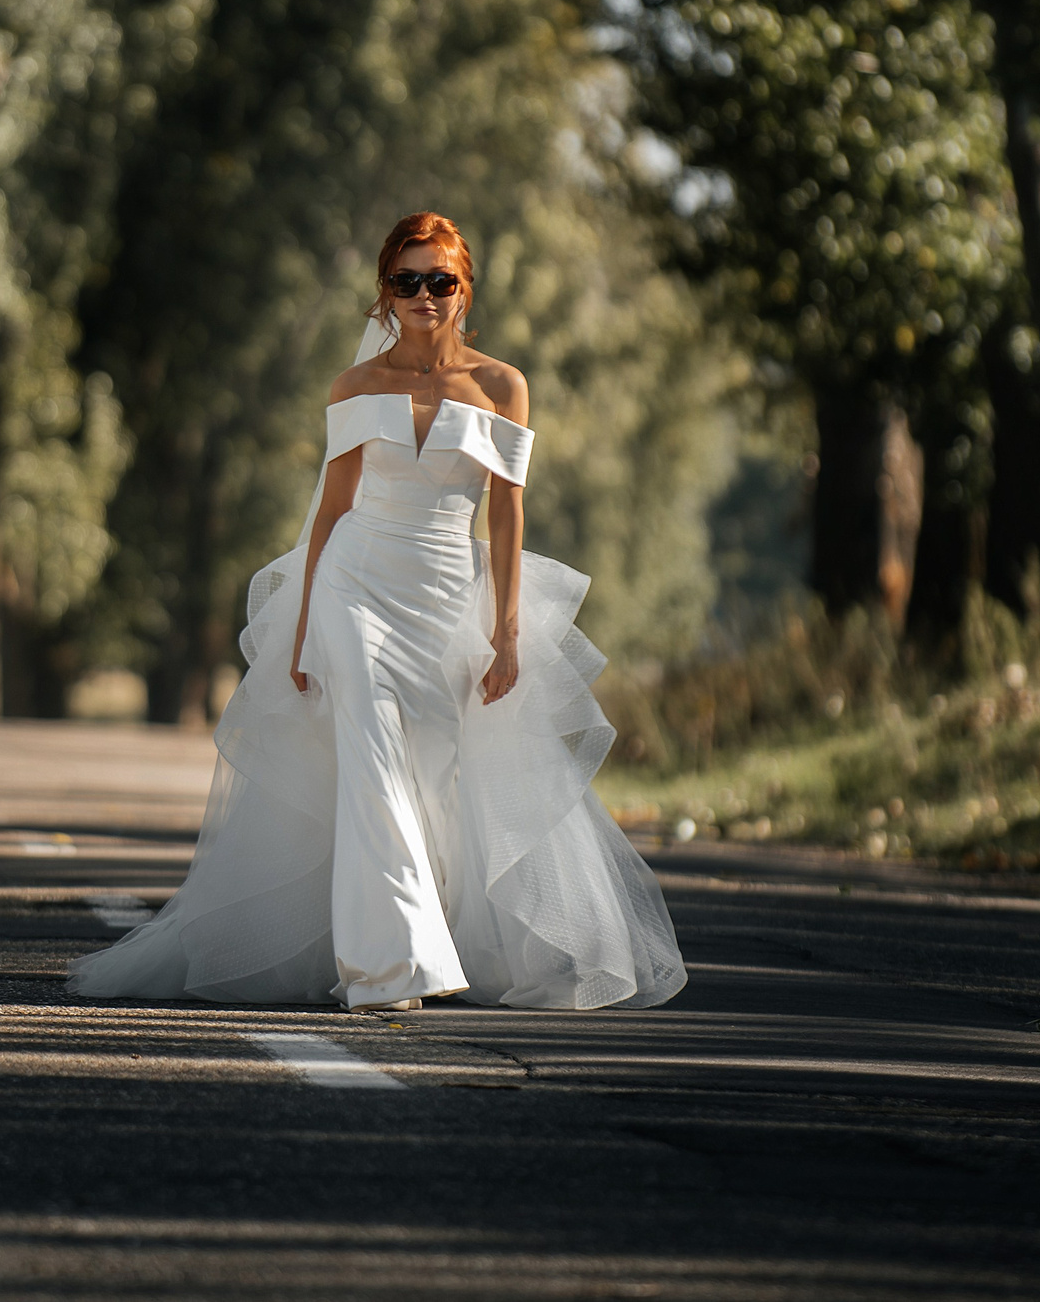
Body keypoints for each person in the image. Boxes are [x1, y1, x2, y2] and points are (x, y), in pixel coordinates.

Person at [68, 211, 686, 1011]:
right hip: (353, 587)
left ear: (464, 291)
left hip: (441, 595)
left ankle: (425, 940)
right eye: (407, 280)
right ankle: (392, 966)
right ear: (384, 292)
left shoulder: (503, 386)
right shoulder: (355, 387)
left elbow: (506, 515)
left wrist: (506, 633)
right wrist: (299, 628)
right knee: (372, 763)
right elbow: (329, 513)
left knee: (433, 774)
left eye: (440, 280)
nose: (423, 295)